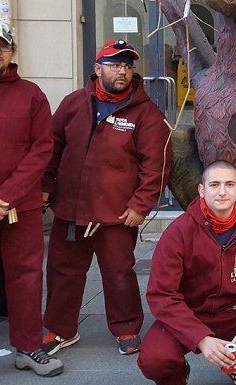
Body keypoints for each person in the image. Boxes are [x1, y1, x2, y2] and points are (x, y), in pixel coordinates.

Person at [42, 39, 172, 356]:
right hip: (71, 210)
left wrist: (141, 205)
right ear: (98, 68)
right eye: (115, 64)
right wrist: (45, 186)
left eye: (128, 66)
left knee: (119, 273)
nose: (123, 71)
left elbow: (157, 165)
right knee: (62, 271)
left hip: (117, 214)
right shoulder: (73, 104)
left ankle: (126, 329)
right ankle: (61, 329)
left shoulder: (146, 114)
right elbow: (51, 148)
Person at [137, 161, 236, 385]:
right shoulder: (178, 232)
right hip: (192, 312)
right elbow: (162, 295)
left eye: (229, 184)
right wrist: (200, 338)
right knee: (154, 359)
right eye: (214, 185)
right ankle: (177, 377)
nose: (222, 191)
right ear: (202, 191)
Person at [0, 21, 62, 377]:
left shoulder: (31, 94)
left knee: (25, 275)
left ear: (12, 53)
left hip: (17, 206)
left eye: (3, 45)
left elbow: (42, 149)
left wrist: (4, 197)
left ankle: (27, 347)